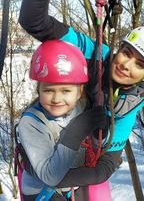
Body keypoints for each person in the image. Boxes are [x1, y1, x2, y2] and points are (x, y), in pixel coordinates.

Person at [18, 0, 144, 200]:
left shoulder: (129, 104)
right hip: (42, 153)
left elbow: (106, 166)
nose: (125, 64)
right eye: (126, 52)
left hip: (75, 166)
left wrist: (62, 178)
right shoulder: (93, 52)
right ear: (118, 47)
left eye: (139, 64)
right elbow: (34, 21)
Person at [17, 40, 109, 201]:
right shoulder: (32, 122)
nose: (57, 98)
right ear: (39, 90)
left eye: (66, 90)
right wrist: (76, 132)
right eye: (48, 90)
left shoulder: (80, 109)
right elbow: (49, 176)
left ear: (79, 91)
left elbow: (96, 147)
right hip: (41, 192)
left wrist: (100, 132)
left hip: (72, 186)